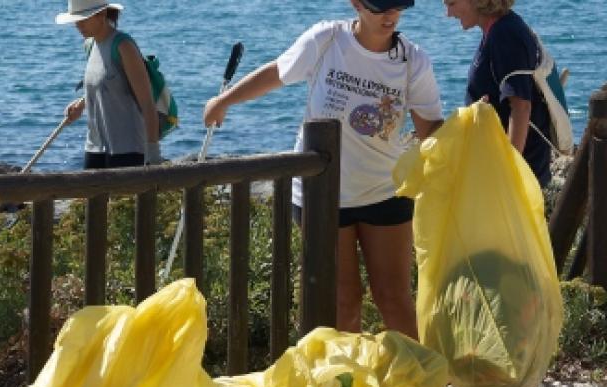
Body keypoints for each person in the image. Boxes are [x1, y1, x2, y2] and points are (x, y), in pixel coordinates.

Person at [203, 0, 444, 339]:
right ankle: (345, 385)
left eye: (398, 6)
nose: (390, 15)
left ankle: (420, 386)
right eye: (380, 7)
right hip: (321, 194)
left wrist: (473, 131)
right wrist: (224, 100)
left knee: (394, 300)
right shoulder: (327, 39)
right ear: (357, 4)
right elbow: (278, 71)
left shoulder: (413, 61)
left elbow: (430, 129)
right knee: (343, 302)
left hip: (384, 190)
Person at [444, 0, 552, 187]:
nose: (448, 13)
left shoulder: (505, 34)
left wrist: (509, 173)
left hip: (516, 174)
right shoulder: (496, 30)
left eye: (451, 3)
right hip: (497, 166)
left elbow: (521, 107)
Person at [56, 0, 161, 169]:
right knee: (91, 194)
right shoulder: (90, 45)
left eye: (83, 19)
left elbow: (147, 103)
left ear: (102, 15)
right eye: (75, 20)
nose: (78, 25)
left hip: (127, 149)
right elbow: (106, 83)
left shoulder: (124, 46)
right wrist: (82, 104)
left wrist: (153, 153)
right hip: (95, 146)